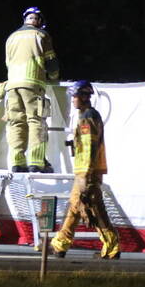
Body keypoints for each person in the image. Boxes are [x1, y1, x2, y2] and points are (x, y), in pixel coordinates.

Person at [50, 81, 120, 259]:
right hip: (84, 172)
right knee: (75, 206)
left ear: (83, 96)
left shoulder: (87, 117)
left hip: (87, 173)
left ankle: (112, 246)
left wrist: (85, 176)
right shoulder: (87, 115)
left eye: (74, 96)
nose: (72, 100)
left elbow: (89, 147)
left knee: (94, 209)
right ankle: (60, 244)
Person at [4, 7, 59, 172]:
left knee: (16, 122)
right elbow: (51, 62)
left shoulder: (11, 37)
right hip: (33, 83)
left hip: (12, 84)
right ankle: (36, 162)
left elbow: (8, 62)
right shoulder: (41, 35)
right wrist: (54, 77)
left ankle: (17, 162)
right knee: (36, 120)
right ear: (39, 21)